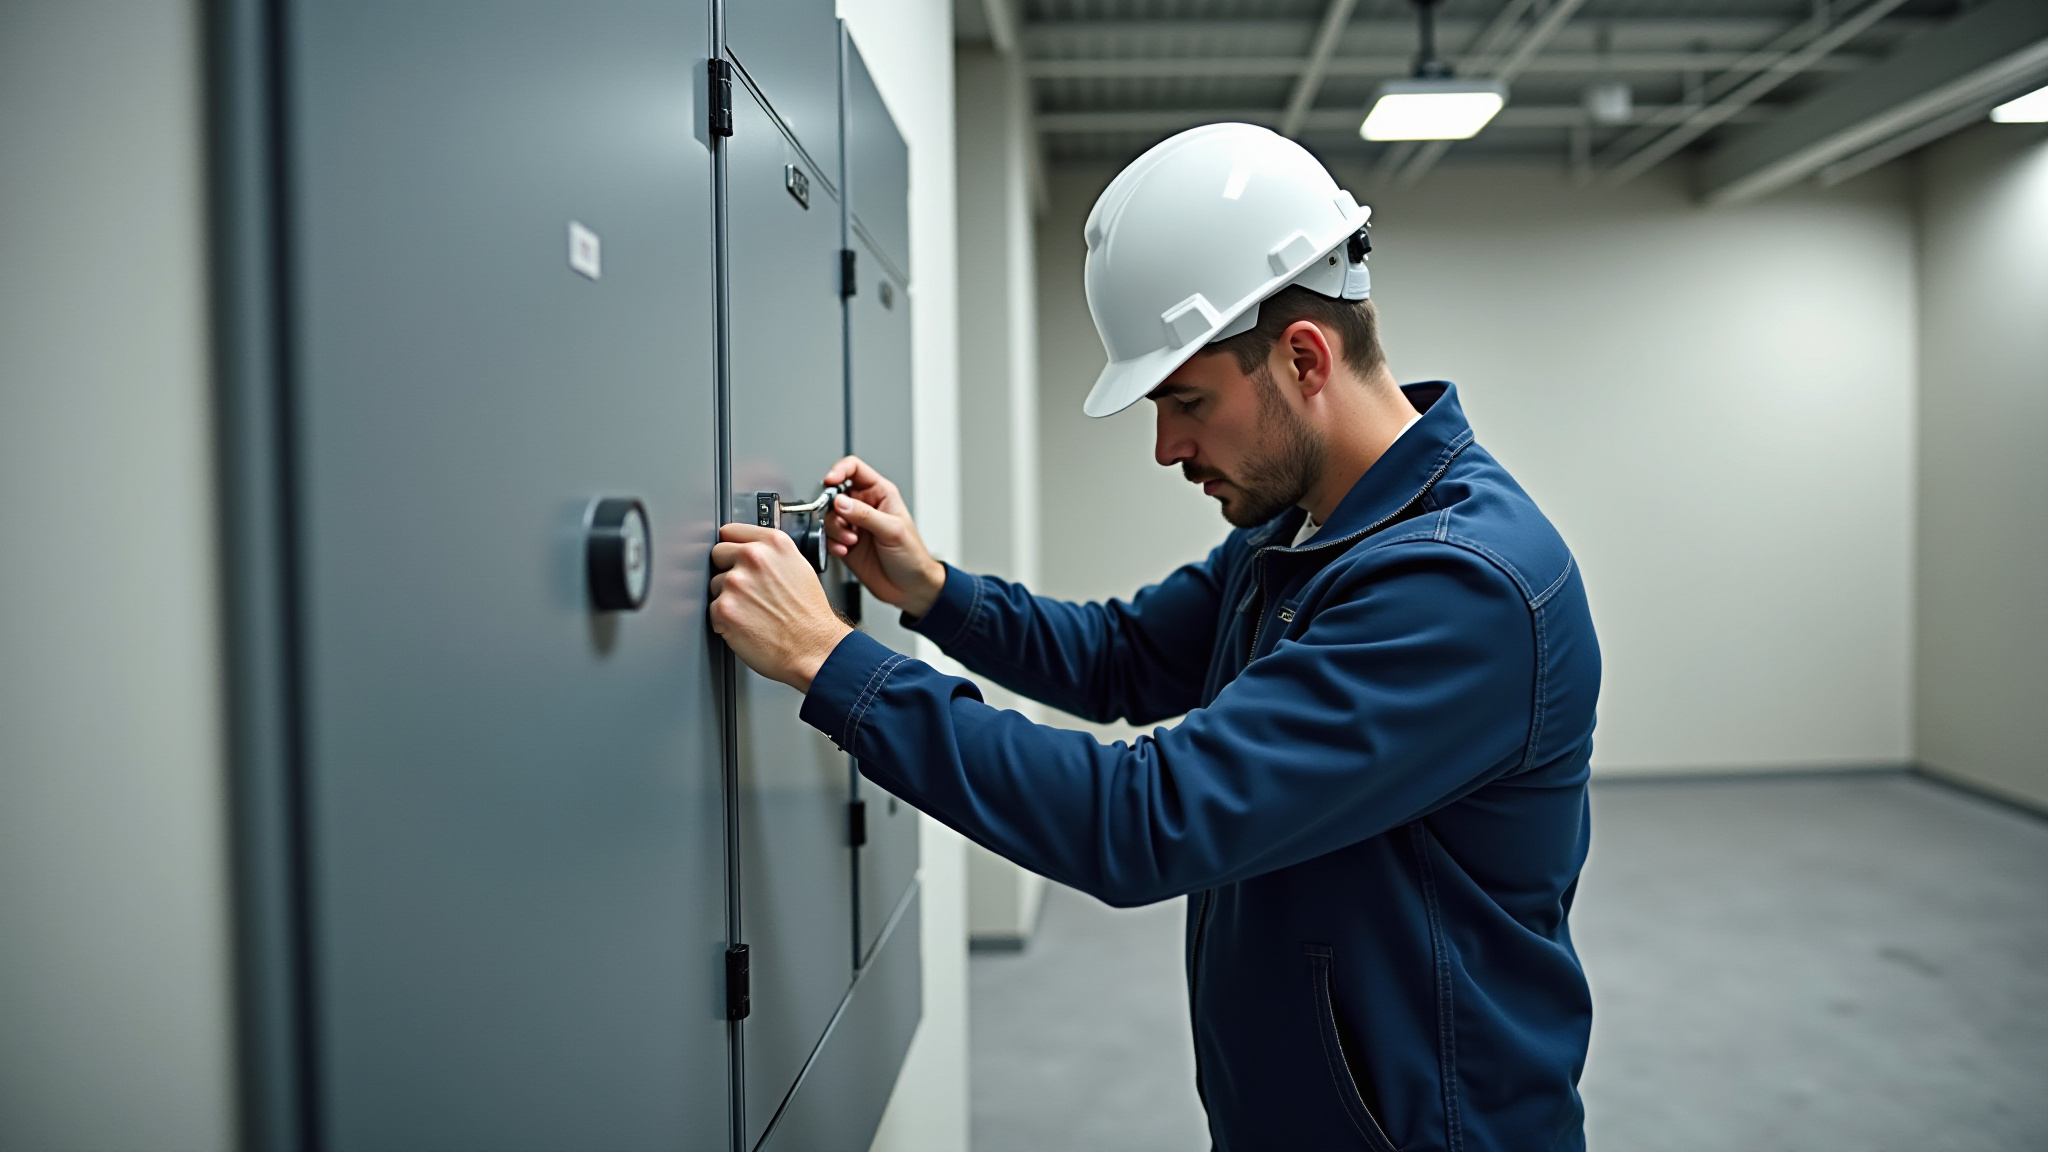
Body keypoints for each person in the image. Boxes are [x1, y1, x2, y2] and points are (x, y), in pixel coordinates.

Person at [708, 123, 1601, 1152]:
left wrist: (831, 665)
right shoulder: (1302, 528)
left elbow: (1141, 824)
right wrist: (932, 591)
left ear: (1302, 358)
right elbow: (1121, 656)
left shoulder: (1458, 589)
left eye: (1186, 400)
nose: (1167, 445)